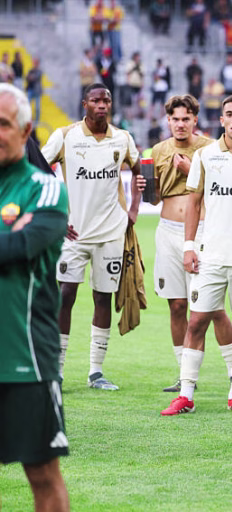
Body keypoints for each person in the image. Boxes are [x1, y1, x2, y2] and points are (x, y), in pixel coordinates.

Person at [161, 95, 232, 416]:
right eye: (229, 114)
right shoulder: (205, 155)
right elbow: (194, 203)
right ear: (221, 120)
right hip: (210, 254)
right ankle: (186, 394)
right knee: (196, 321)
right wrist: (188, 246)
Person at [41, 83, 142, 391]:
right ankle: (57, 370)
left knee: (103, 297)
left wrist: (133, 210)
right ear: (84, 104)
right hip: (74, 233)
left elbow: (140, 170)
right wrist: (56, 215)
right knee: (65, 296)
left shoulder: (123, 138)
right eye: (96, 100)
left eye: (106, 100)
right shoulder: (65, 136)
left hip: (110, 232)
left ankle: (96, 372)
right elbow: (38, 171)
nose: (102, 105)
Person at [0, 83, 70, 512]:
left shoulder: (44, 189)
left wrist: (13, 239)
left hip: (24, 359)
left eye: (3, 124)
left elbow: (20, 247)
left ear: (26, 130)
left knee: (43, 474)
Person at [150, 95, 232, 393]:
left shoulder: (210, 149)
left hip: (201, 231)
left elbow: (223, 189)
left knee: (212, 307)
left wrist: (192, 171)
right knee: (176, 305)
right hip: (167, 230)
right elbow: (154, 198)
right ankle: (183, 373)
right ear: (168, 121)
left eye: (185, 119)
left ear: (195, 120)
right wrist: (145, 188)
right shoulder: (159, 150)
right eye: (175, 119)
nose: (180, 124)